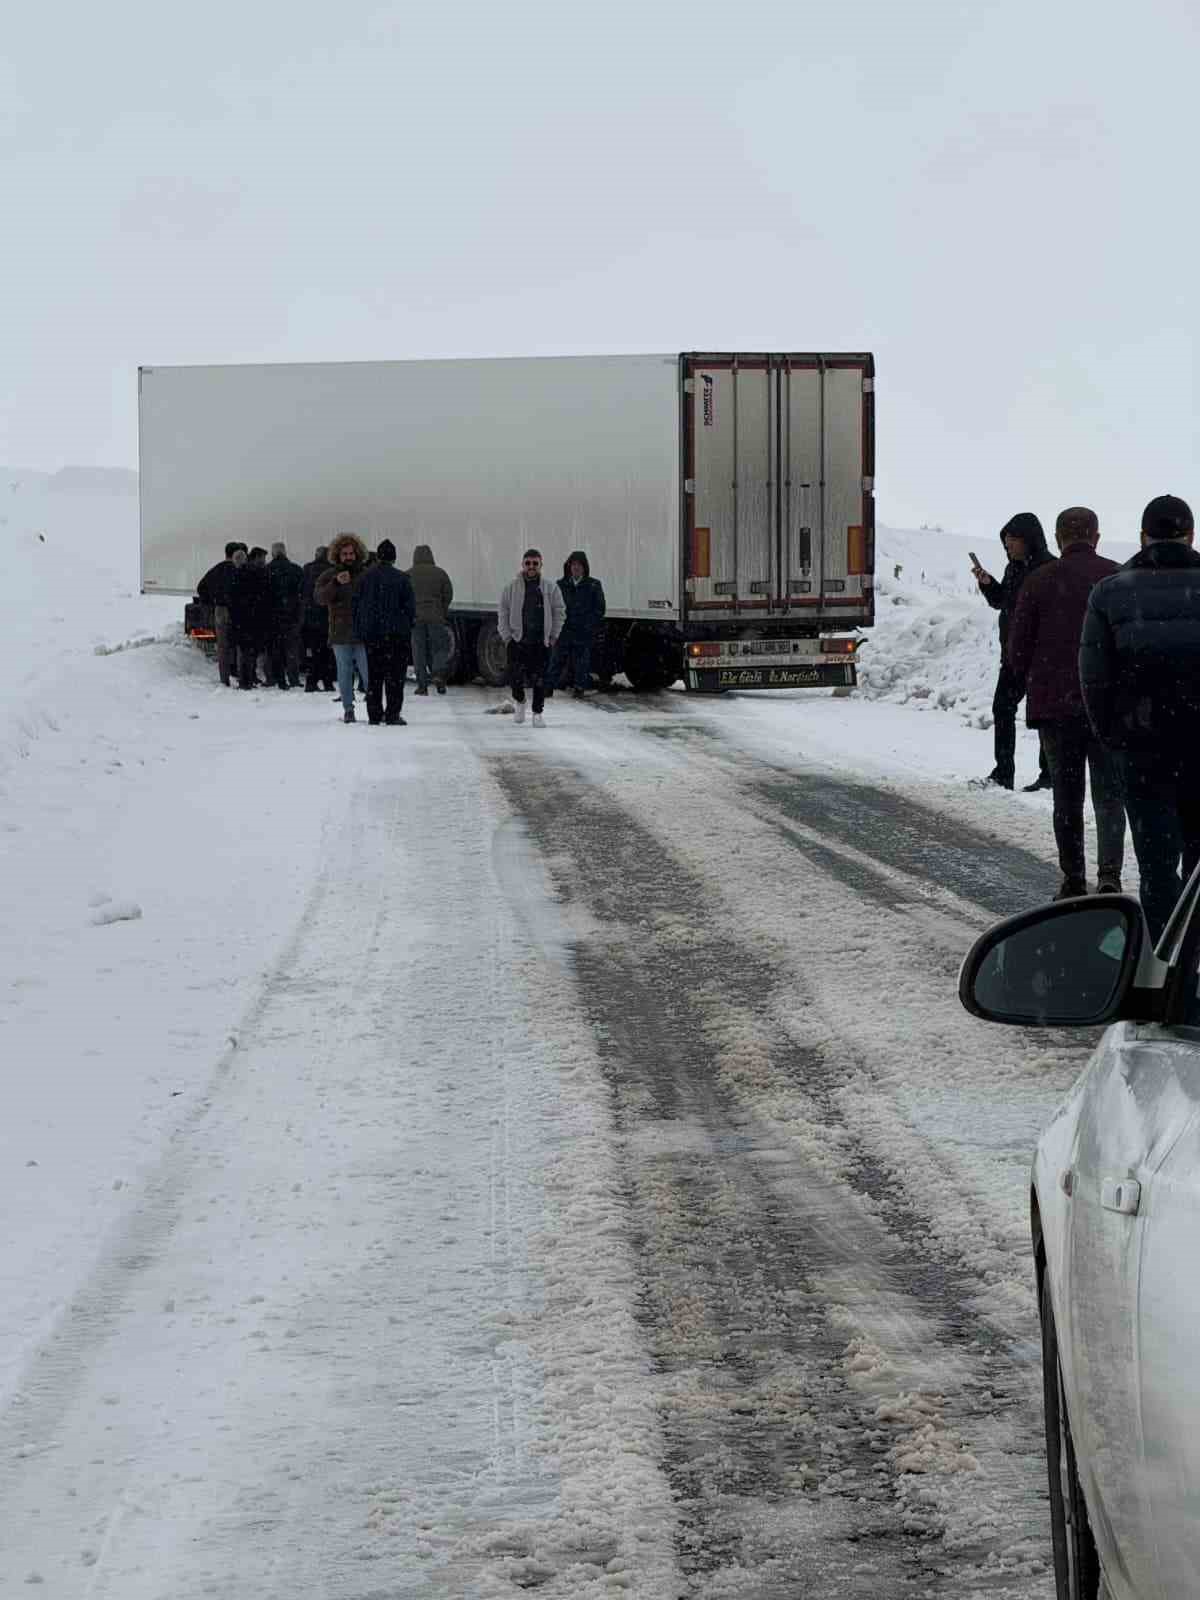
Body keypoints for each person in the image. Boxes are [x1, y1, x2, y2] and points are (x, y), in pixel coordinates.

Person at [1081, 494, 1200, 941]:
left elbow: (1093, 678)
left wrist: (1113, 738)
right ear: (1191, 535)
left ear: (1142, 537)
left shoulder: (1111, 593)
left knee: (1156, 865)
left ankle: (1167, 968)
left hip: (1144, 751)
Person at [1007, 507, 1124, 900]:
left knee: (1066, 798)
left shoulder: (1040, 581)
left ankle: (1073, 879)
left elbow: (1017, 650)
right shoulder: (1116, 577)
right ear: (1096, 536)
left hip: (1056, 708)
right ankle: (1110, 875)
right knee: (1109, 796)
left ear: (1058, 539)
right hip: (1108, 706)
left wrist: (1030, 682)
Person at [972, 513, 1055, 790]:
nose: (1008, 547)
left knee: (1044, 715)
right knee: (1002, 709)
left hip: (1041, 658)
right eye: (1005, 542)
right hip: (1012, 657)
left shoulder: (1049, 569)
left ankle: (1048, 776)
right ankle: (1004, 773)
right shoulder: (1014, 569)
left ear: (1029, 540)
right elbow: (1003, 603)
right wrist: (987, 584)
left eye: (1012, 541)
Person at [498, 549, 564, 726]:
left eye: (535, 563)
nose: (531, 567)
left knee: (540, 679)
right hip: (518, 640)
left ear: (541, 565)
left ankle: (537, 713)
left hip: (541, 642)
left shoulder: (550, 588)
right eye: (528, 563)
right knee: (515, 677)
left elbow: (559, 611)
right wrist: (507, 637)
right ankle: (520, 702)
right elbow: (503, 612)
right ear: (523, 565)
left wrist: (553, 635)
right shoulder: (511, 588)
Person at [352, 538, 415, 725]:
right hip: (397, 636)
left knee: (374, 676)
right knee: (395, 677)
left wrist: (361, 630)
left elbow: (356, 607)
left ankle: (374, 714)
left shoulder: (365, 578)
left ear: (378, 556)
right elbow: (410, 610)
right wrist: (405, 627)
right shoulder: (403, 579)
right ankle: (393, 714)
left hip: (372, 636)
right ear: (394, 557)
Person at [315, 533, 370, 723]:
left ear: (357, 554)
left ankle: (374, 707)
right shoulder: (329, 575)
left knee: (368, 672)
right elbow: (320, 598)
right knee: (344, 673)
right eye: (344, 553)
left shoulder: (365, 574)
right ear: (337, 555)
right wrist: (336, 583)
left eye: (351, 553)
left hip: (363, 632)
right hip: (340, 633)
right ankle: (348, 709)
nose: (348, 557)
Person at [549, 550, 606, 698]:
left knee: (582, 661)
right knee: (556, 660)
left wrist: (589, 625)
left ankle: (579, 689)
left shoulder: (593, 585)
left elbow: (599, 609)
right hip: (564, 630)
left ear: (584, 567)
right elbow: (553, 607)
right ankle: (547, 688)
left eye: (579, 565)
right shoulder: (560, 585)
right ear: (569, 567)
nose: (576, 568)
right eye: (573, 565)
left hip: (583, 631)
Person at [197, 541, 247, 686]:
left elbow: (201, 588)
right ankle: (240, 676)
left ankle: (224, 679)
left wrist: (212, 601)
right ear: (234, 554)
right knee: (239, 644)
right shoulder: (238, 569)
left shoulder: (216, 569)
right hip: (236, 610)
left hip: (220, 610)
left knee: (223, 647)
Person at [407, 544, 454, 695]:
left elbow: (403, 597)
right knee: (440, 647)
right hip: (436, 616)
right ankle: (439, 675)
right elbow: (448, 593)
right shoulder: (440, 573)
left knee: (418, 651)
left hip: (416, 618)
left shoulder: (408, 574)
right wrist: (442, 609)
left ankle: (422, 686)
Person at [228, 546, 273, 690]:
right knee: (252, 650)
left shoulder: (236, 576)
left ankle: (244, 681)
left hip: (241, 619)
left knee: (243, 651)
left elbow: (232, 599)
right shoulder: (257, 573)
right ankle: (251, 678)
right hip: (255, 617)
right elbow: (264, 594)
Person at [266, 541, 305, 690]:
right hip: (292, 615)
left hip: (273, 616)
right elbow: (301, 593)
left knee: (273, 650)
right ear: (285, 552)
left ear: (273, 553)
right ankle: (293, 678)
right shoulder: (296, 570)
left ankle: (272, 677)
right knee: (292, 649)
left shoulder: (267, 570)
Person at [300, 546, 335, 692]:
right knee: (327, 651)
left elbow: (302, 591)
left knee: (314, 651)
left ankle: (311, 680)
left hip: (310, 617)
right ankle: (327, 681)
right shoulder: (332, 570)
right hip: (327, 616)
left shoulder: (307, 569)